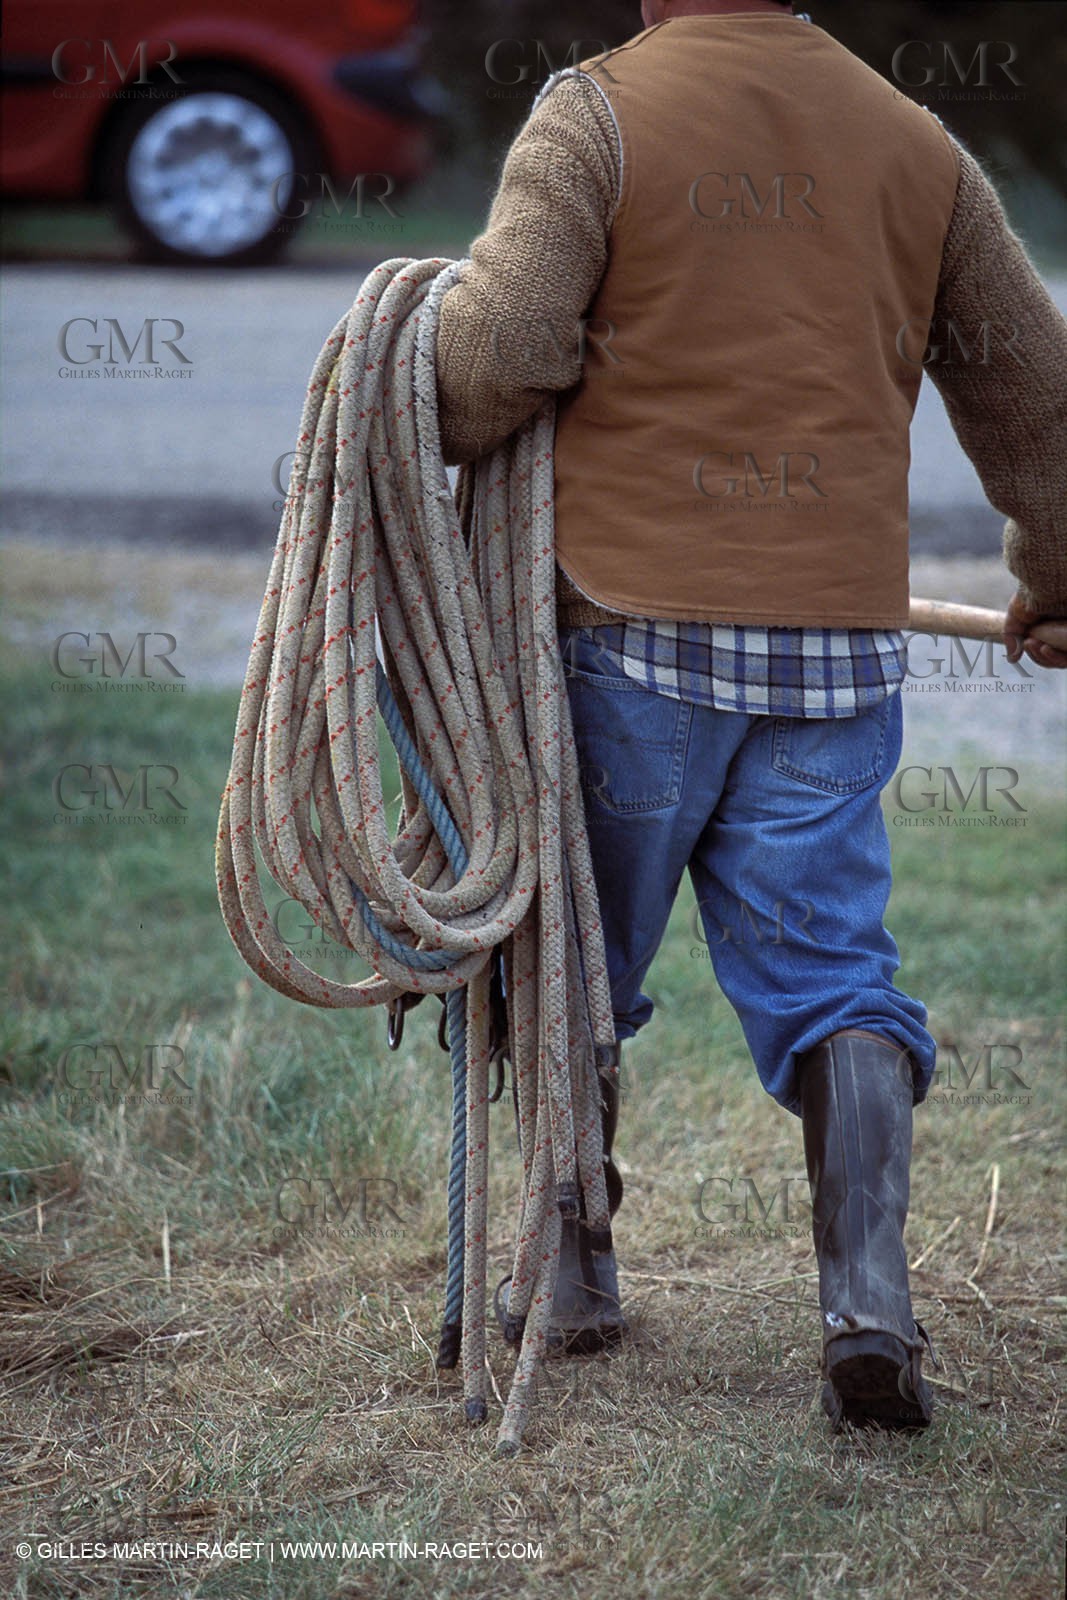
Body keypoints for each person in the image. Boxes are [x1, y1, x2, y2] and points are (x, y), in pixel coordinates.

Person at [434, 0, 1067, 1430]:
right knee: (838, 977)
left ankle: (568, 1277)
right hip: (834, 650)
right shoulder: (915, 143)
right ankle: (869, 1309)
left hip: (625, 638)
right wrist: (1060, 576)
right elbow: (1036, 391)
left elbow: (499, 359)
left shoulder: (595, 112)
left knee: (570, 964)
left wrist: (426, 375)